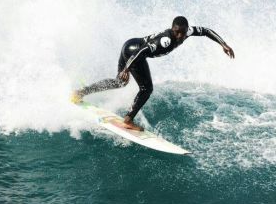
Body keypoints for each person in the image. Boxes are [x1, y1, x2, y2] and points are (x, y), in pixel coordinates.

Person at [72, 16, 235, 131]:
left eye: (183, 33)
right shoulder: (166, 41)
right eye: (177, 32)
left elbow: (206, 31)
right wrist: (127, 68)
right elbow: (142, 50)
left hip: (129, 45)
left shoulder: (188, 32)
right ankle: (128, 120)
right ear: (173, 29)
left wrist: (224, 44)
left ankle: (80, 92)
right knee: (146, 89)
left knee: (119, 83)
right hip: (134, 52)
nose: (180, 36)